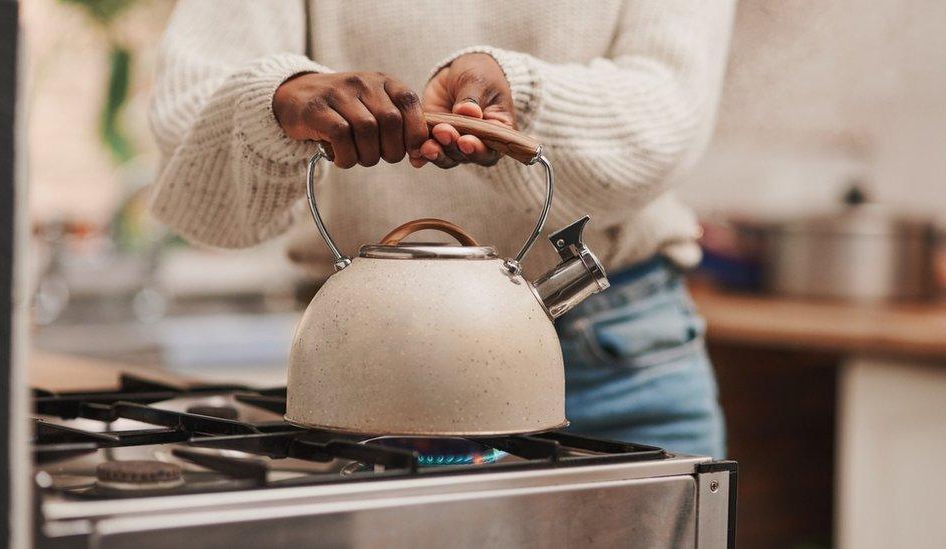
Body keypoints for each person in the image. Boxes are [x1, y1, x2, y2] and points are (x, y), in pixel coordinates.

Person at [150, 0, 736, 457]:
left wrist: (521, 98)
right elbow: (188, 128)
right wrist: (276, 100)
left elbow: (671, 109)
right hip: (367, 364)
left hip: (616, 365)